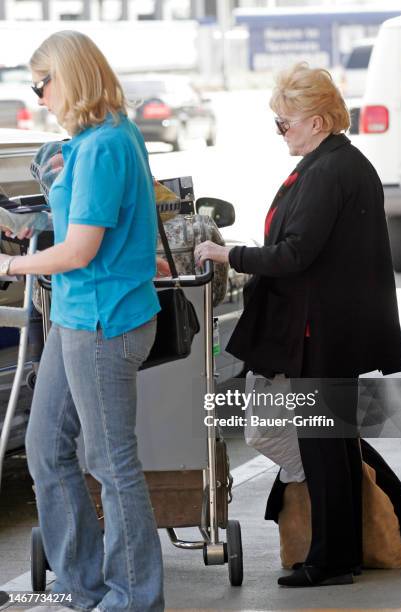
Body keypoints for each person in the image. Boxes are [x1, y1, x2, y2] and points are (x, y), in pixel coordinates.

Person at [193, 62, 401, 587]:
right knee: (329, 443)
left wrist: (229, 253)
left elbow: (295, 254)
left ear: (316, 120)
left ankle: (333, 560)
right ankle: (341, 553)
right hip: (332, 330)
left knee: (325, 445)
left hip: (322, 333)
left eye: (285, 122)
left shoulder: (329, 170)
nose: (281, 131)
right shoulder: (338, 163)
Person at [0, 31, 165, 611]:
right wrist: (39, 221)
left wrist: (11, 262)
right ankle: (86, 587)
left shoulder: (102, 147)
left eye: (42, 84)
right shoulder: (102, 137)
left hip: (102, 323)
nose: (39, 97)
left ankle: (132, 598)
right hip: (80, 319)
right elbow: (83, 225)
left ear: (69, 76)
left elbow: (79, 252)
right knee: (46, 449)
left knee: (111, 464)